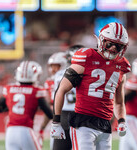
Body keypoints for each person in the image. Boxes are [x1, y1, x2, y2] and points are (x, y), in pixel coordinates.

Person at [50, 22, 131, 150]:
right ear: (101, 40)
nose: (114, 49)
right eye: (110, 44)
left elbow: (119, 102)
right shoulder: (86, 57)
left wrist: (121, 120)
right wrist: (56, 122)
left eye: (119, 46)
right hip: (83, 121)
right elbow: (61, 90)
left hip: (105, 123)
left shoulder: (122, 66)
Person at [0, 60, 53, 150]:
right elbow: (49, 113)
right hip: (26, 130)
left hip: (10, 132)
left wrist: (11, 107)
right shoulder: (36, 91)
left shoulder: (9, 88)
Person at [52, 45, 84, 150]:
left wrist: (56, 119)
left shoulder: (59, 74)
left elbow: (56, 96)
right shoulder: (88, 74)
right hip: (82, 114)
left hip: (64, 113)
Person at [38, 52, 67, 150]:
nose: (52, 69)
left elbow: (51, 107)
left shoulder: (54, 82)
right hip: (61, 120)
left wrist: (42, 128)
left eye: (56, 66)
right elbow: (50, 107)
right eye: (52, 66)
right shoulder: (49, 81)